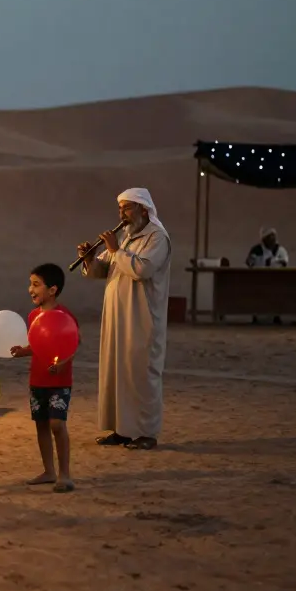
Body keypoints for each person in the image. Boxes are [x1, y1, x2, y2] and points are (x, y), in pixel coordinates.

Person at [79, 188, 172, 451]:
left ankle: (146, 433)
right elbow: (103, 270)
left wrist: (115, 249)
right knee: (117, 372)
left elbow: (141, 269)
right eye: (120, 209)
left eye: (128, 208)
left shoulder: (157, 238)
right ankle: (122, 430)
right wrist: (89, 259)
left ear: (144, 209)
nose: (122, 214)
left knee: (141, 374)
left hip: (142, 318)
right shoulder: (126, 237)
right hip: (117, 318)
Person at [9, 263, 79, 492]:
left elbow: (73, 344)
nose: (31, 289)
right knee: (41, 425)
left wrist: (61, 365)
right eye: (30, 284)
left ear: (52, 290)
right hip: (37, 380)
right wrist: (24, 351)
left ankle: (65, 474)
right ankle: (49, 471)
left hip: (59, 382)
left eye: (36, 284)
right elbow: (39, 344)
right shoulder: (33, 316)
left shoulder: (65, 316)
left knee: (57, 424)